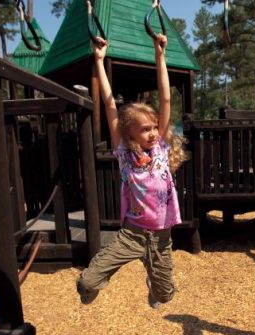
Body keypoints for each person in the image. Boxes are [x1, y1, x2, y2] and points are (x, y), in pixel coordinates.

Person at [76, 33, 187, 308]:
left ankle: (155, 286)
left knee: (165, 295)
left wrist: (159, 56)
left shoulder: (160, 148)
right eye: (145, 129)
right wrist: (99, 61)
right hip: (131, 234)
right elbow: (109, 104)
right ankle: (93, 286)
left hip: (160, 237)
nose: (151, 133)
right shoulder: (124, 153)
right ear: (130, 133)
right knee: (85, 283)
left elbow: (165, 99)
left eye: (153, 127)